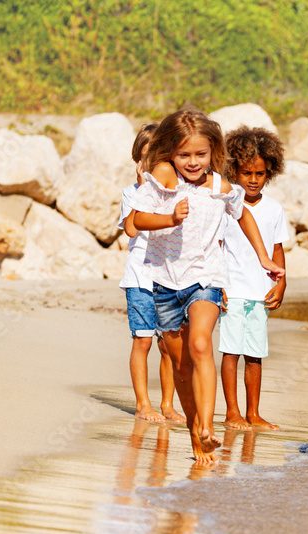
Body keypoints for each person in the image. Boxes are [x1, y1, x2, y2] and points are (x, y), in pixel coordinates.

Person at [132, 108, 284, 464]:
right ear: (170, 150)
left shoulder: (218, 185)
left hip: (206, 277)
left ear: (213, 151)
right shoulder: (163, 174)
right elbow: (137, 219)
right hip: (165, 281)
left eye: (201, 154)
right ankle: (196, 434)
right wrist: (169, 218)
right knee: (182, 366)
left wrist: (263, 257)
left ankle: (208, 426)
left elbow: (242, 213)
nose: (193, 162)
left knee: (201, 344)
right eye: (184, 154)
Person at [219, 127, 289, 431]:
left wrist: (281, 283)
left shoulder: (274, 209)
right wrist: (218, 283)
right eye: (246, 172)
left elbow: (277, 249)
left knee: (255, 355)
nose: (252, 179)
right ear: (234, 170)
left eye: (259, 173)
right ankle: (231, 411)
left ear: (269, 173)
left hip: (260, 292)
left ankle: (254, 413)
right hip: (232, 289)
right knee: (231, 352)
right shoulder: (227, 205)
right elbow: (217, 247)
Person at [118, 123, 184, 424]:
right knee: (142, 340)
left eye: (160, 158)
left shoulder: (176, 193)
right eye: (147, 157)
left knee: (168, 343)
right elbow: (131, 227)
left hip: (168, 275)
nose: (152, 164)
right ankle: (143, 404)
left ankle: (168, 404)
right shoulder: (131, 193)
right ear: (138, 161)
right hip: (140, 277)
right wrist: (145, 192)